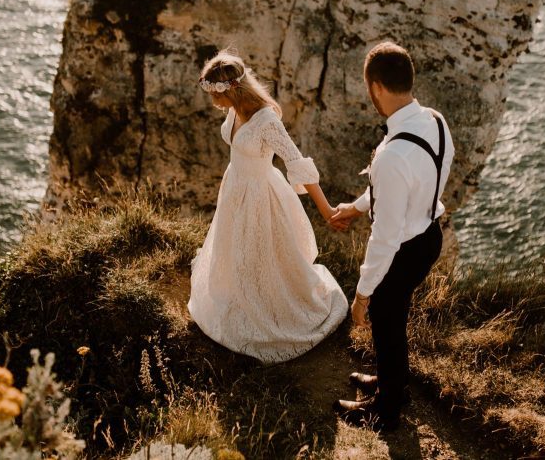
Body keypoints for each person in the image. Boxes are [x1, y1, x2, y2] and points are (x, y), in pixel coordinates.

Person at [187, 48, 348, 363]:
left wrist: (327, 210)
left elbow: (296, 162)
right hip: (235, 188)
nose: (213, 101)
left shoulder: (267, 120)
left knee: (258, 256)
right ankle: (239, 300)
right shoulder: (235, 109)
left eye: (214, 93)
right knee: (235, 251)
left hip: (260, 195)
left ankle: (269, 312)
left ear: (231, 88)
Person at [329, 41, 455, 432]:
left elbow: (384, 238)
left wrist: (362, 295)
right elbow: (413, 183)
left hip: (403, 248)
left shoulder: (391, 156)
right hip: (430, 235)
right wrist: (357, 205)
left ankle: (385, 410)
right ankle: (390, 383)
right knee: (394, 318)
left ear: (377, 87)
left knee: (384, 316)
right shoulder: (435, 120)